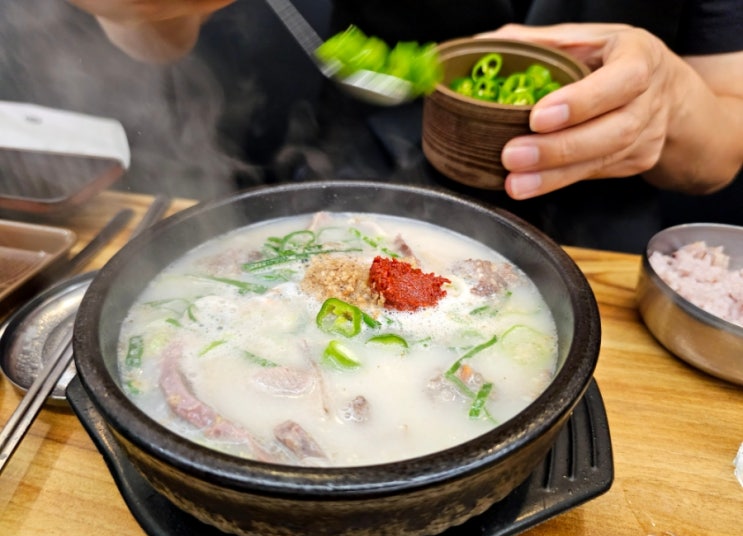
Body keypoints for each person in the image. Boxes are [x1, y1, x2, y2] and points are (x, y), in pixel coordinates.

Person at [19, 1, 743, 252]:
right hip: (352, 197)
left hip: (594, 254)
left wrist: (671, 102)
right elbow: (163, 36)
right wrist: (136, 14)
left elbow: (723, 143)